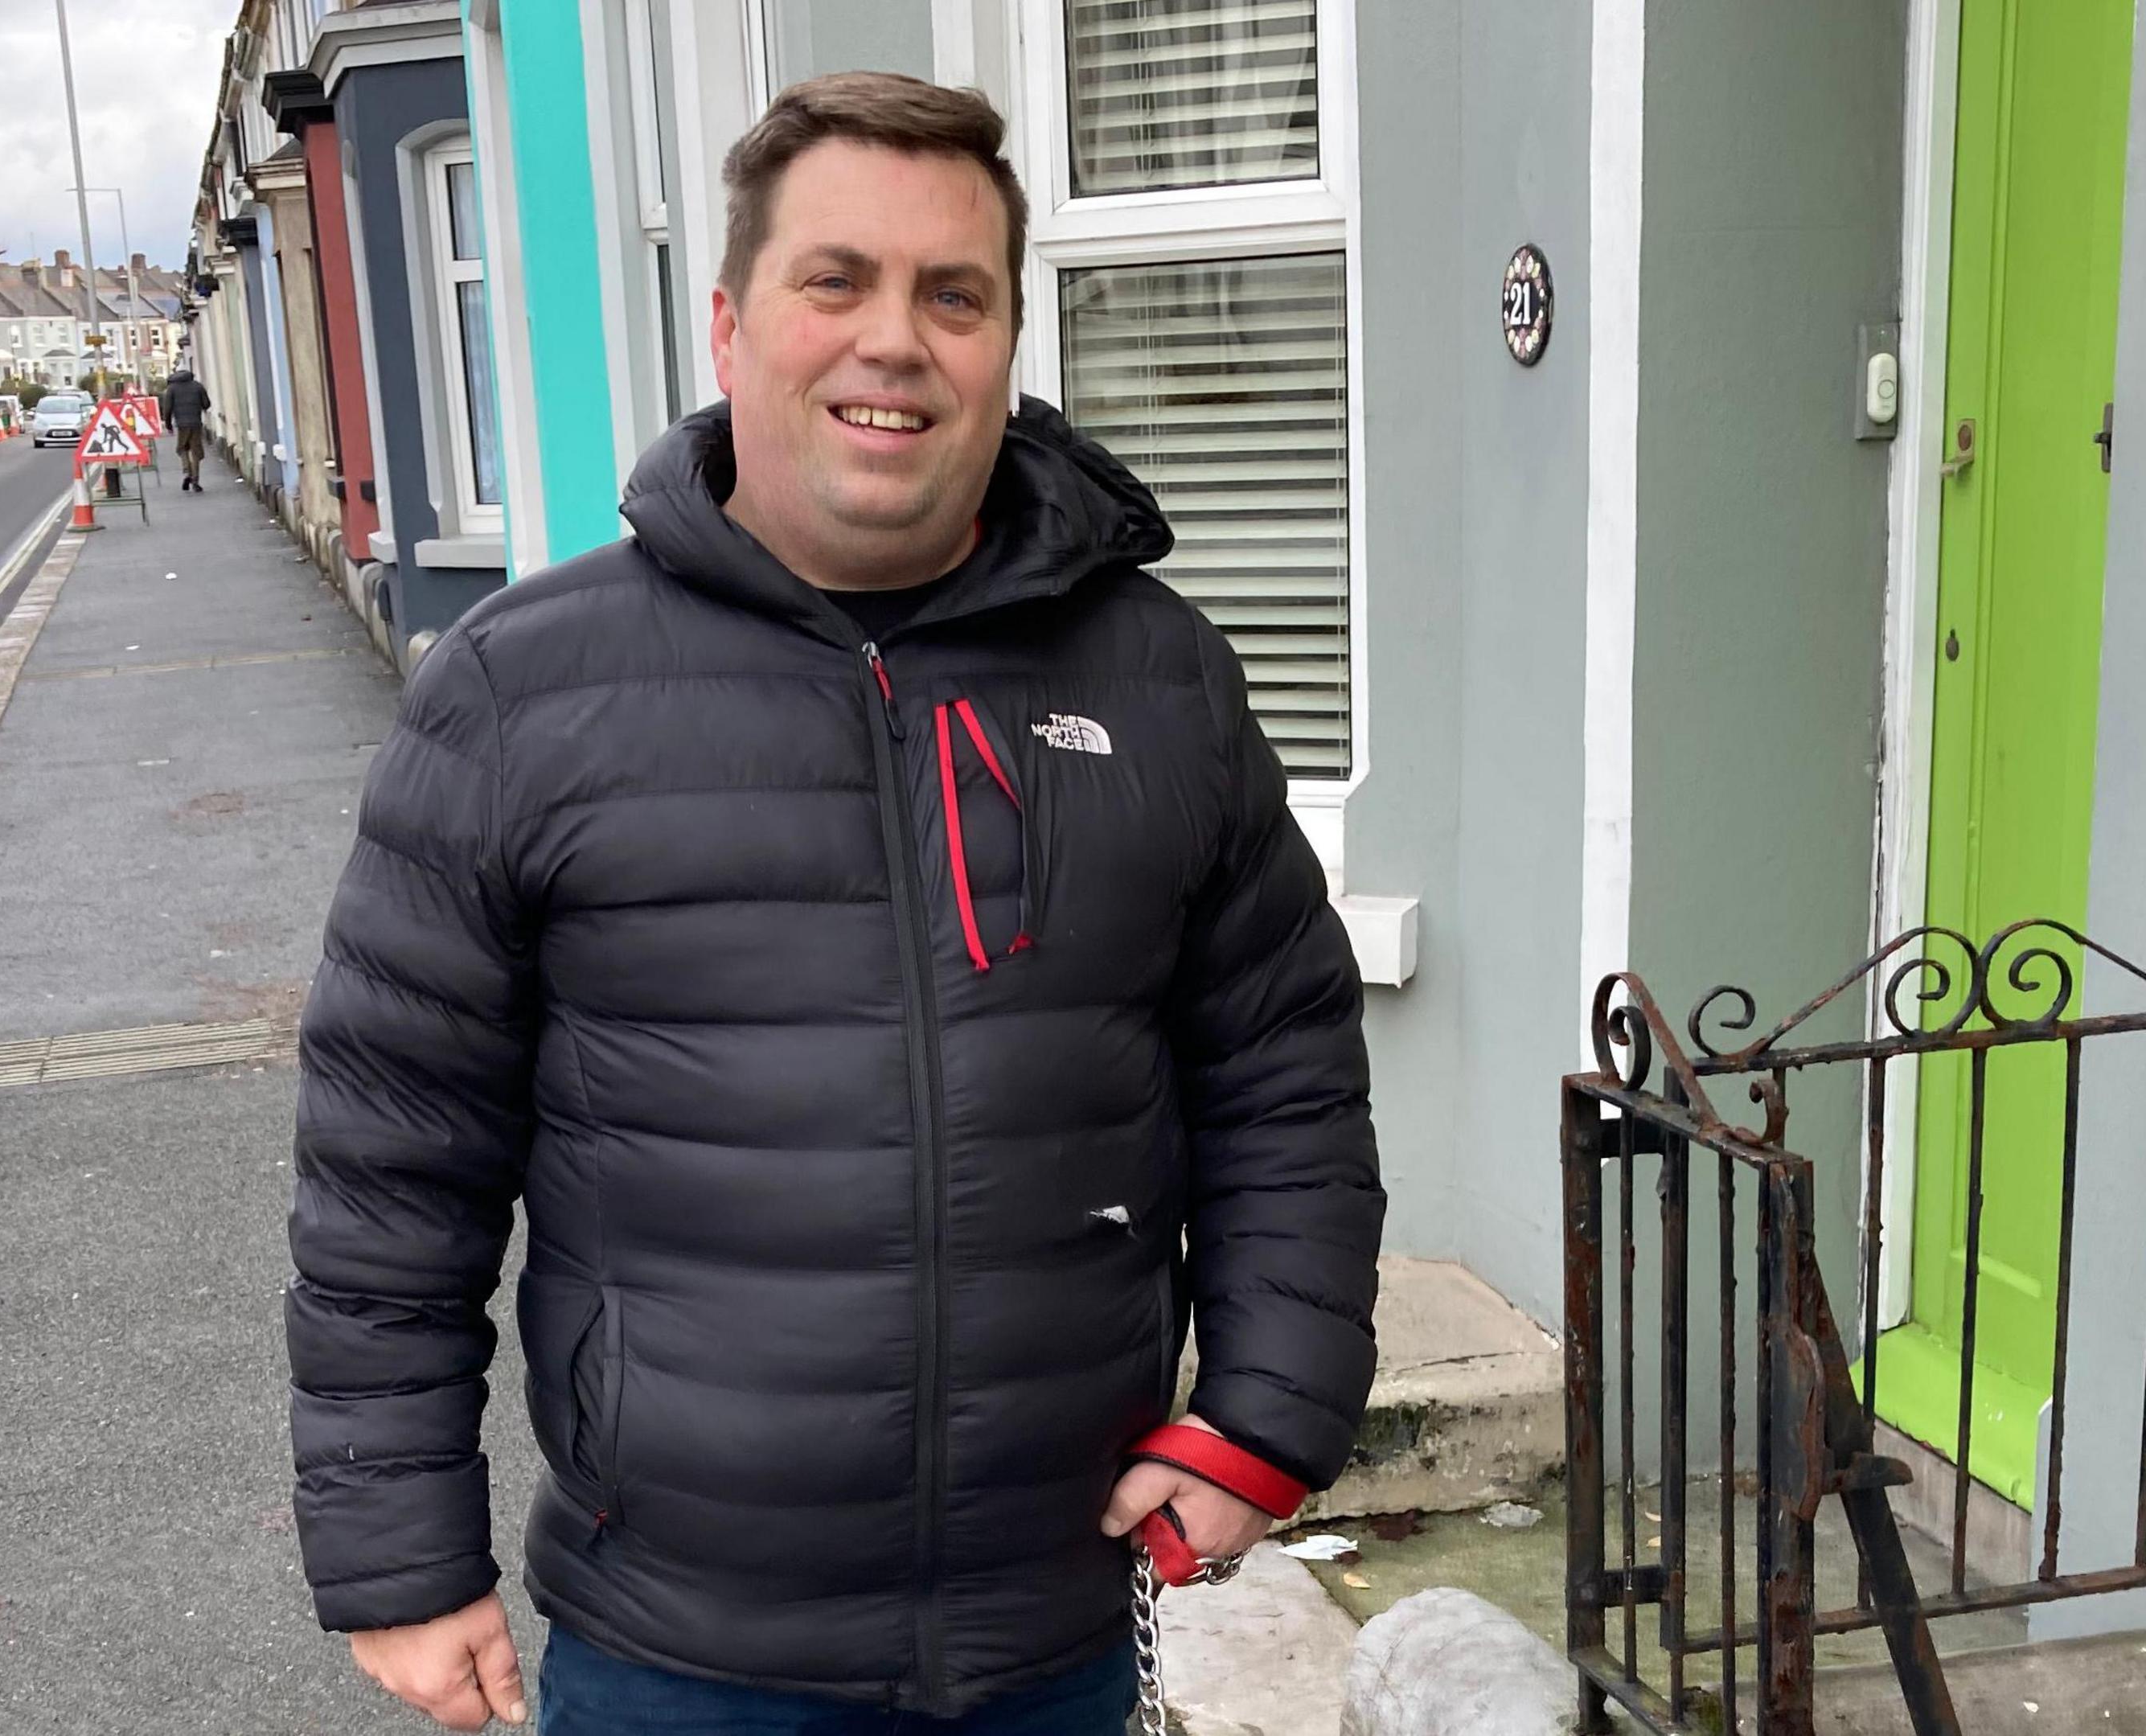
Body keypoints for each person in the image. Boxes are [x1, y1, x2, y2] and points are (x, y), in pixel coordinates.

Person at [290, 72, 1383, 1736]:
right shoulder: (523, 695)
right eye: (838, 280)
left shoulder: (1155, 675)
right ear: (732, 327)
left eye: (955, 295)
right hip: (678, 1651)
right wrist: (400, 1553)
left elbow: (1284, 1077)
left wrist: (1265, 1413)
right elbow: (391, 1172)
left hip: (1057, 1630)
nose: (897, 339)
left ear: (1008, 346)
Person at [159, 365, 211, 490]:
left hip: (182, 425)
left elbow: (168, 408)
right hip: (196, 423)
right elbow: (206, 404)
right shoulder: (197, 386)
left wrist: (168, 424)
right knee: (196, 451)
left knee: (182, 449)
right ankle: (195, 479)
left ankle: (188, 471)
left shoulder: (171, 389)